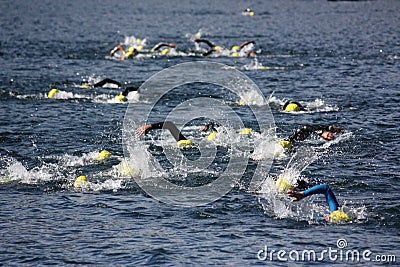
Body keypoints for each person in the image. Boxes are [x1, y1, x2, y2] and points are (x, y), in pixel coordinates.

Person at [279, 125, 344, 150]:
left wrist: (331, 128)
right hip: (286, 143)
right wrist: (322, 133)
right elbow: (307, 127)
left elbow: (309, 127)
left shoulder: (316, 128)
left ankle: (331, 128)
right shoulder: (285, 144)